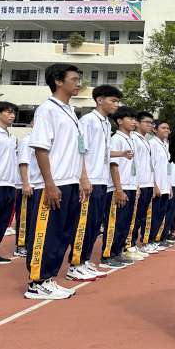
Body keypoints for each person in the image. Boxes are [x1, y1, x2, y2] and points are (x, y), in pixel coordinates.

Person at [24, 64, 91, 299]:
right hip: (53, 183)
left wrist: (83, 178)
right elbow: (41, 149)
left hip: (71, 182)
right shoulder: (47, 110)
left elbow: (79, 150)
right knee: (47, 232)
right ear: (58, 81)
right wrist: (50, 183)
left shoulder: (71, 112)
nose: (78, 83)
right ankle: (37, 282)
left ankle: (49, 277)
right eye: (74, 79)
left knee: (62, 233)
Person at [67, 85, 123, 281]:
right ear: (100, 100)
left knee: (95, 224)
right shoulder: (88, 121)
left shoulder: (107, 124)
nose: (117, 105)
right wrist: (83, 177)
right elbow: (81, 150)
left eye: (117, 101)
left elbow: (103, 152)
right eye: (113, 100)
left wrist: (121, 154)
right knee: (84, 223)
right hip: (89, 180)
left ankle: (84, 261)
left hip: (102, 181)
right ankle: (74, 264)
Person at [100, 106, 138, 270]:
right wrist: (118, 189)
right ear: (119, 121)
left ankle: (118, 252)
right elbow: (114, 166)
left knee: (124, 223)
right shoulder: (117, 139)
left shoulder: (130, 139)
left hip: (130, 186)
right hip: (119, 187)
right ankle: (107, 255)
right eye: (130, 118)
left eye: (134, 119)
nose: (133, 122)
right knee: (114, 223)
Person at [128, 111, 157, 257]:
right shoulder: (133, 138)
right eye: (147, 122)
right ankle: (129, 245)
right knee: (133, 216)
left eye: (152, 123)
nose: (150, 125)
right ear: (138, 123)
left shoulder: (146, 140)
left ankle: (133, 244)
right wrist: (137, 183)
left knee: (140, 216)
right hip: (137, 184)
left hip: (147, 183)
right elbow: (133, 164)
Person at [14, 120, 37, 259]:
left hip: (37, 184)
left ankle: (29, 243)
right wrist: (25, 183)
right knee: (24, 216)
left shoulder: (40, 140)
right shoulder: (27, 140)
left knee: (32, 217)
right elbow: (23, 162)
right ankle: (21, 245)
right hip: (27, 184)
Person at [0, 101, 18, 264]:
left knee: (4, 221)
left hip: (10, 184)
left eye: (14, 112)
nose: (12, 115)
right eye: (8, 112)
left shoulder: (12, 137)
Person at [149, 120, 173, 249]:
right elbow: (150, 166)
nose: (167, 130)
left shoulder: (165, 145)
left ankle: (156, 239)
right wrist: (154, 185)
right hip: (156, 186)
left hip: (165, 186)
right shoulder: (152, 144)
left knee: (161, 215)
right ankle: (149, 240)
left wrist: (169, 186)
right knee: (153, 215)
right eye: (163, 128)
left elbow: (167, 168)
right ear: (155, 130)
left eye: (168, 128)